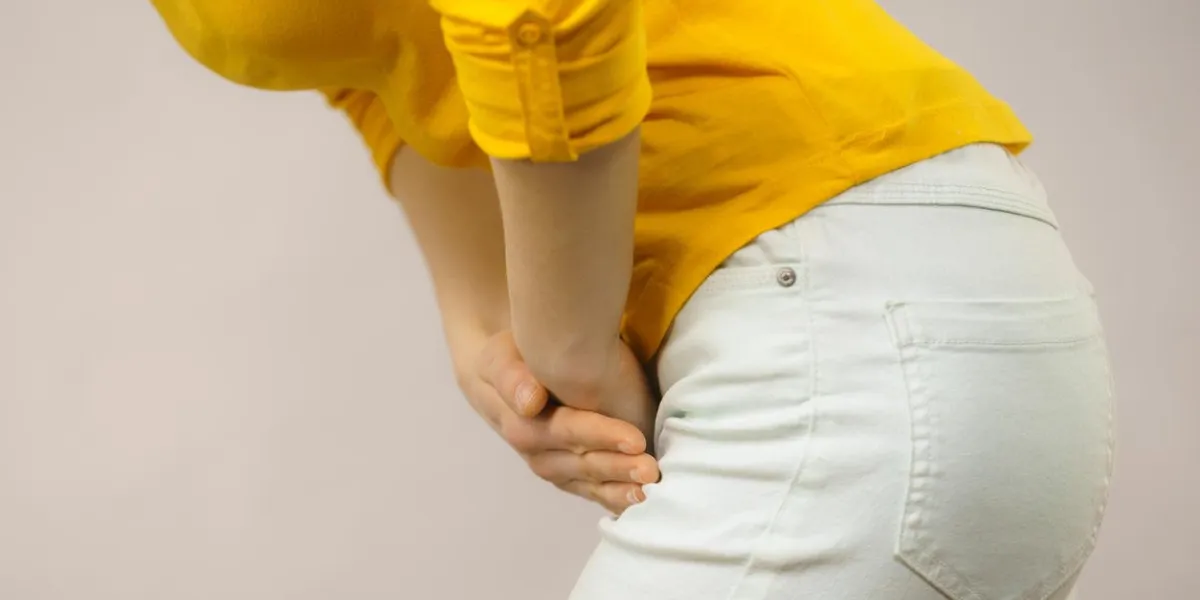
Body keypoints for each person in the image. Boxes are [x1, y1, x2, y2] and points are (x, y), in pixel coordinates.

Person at [147, 1, 1116, 598]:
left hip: (829, 294)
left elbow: (540, 11)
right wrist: (486, 329)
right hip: (856, 296)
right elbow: (386, 67)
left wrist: (568, 341)